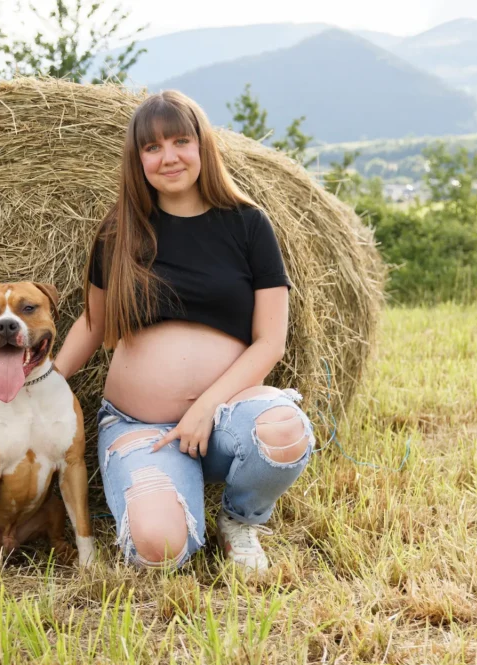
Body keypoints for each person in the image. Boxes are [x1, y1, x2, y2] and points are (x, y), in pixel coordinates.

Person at [53, 91, 314, 572]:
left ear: (202, 146)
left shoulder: (249, 225)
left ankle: (239, 520)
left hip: (226, 418)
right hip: (141, 426)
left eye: (180, 141)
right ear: (138, 160)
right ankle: (171, 493)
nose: (168, 156)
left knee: (284, 433)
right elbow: (92, 324)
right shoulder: (120, 233)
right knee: (160, 551)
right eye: (152, 148)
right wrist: (40, 385)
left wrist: (204, 408)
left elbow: (270, 341)